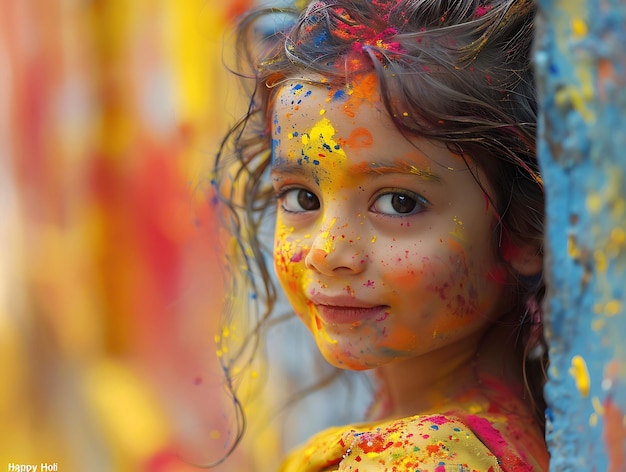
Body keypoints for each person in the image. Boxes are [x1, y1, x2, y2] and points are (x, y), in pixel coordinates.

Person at [213, 0, 549, 470]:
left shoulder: (422, 459)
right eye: (301, 199)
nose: (328, 252)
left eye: (399, 203)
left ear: (527, 228)